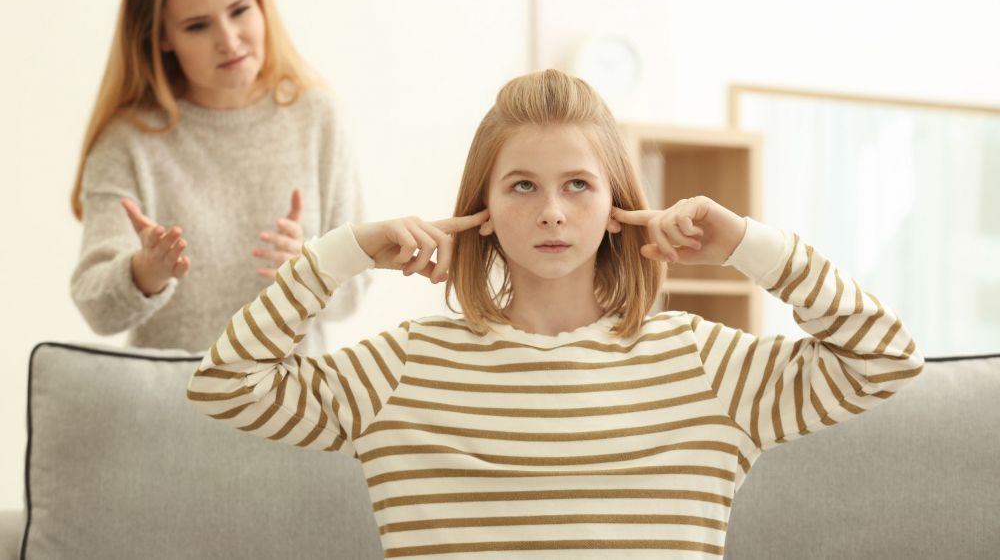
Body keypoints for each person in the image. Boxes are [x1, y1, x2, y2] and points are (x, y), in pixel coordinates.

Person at [187, 69, 923, 557]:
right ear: (482, 209)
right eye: (522, 186)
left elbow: (884, 357)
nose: (551, 211)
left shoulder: (704, 363)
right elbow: (223, 385)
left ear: (614, 207)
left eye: (577, 184)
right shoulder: (405, 365)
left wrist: (744, 243)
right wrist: (346, 250)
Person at [70, 0, 365, 353]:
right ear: (162, 37)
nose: (229, 40)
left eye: (240, 10)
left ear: (261, 4)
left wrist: (313, 269)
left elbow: (355, 294)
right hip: (172, 409)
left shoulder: (317, 116)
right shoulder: (128, 142)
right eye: (197, 26)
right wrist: (146, 270)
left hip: (292, 409)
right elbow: (97, 309)